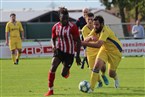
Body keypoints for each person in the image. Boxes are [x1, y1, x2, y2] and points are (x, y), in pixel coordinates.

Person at [44, 7, 81, 96]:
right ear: (59, 17)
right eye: (63, 18)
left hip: (70, 53)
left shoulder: (73, 27)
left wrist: (78, 55)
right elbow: (53, 38)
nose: (65, 20)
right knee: (53, 66)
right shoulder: (55, 27)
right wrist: (53, 46)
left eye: (67, 18)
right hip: (59, 50)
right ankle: (50, 90)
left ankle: (66, 71)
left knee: (63, 74)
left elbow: (78, 41)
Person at [81, 15, 122, 92]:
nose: (95, 26)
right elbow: (86, 39)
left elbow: (98, 44)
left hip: (115, 52)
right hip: (105, 49)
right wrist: (89, 38)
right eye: (94, 24)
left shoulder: (105, 30)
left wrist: (83, 43)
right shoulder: (95, 29)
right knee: (96, 66)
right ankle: (91, 89)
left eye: (97, 25)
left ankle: (116, 78)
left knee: (111, 73)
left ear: (102, 24)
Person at [81, 13, 109, 88]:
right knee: (92, 69)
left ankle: (103, 74)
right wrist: (90, 38)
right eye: (88, 19)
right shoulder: (84, 29)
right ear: (86, 20)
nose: (90, 21)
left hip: (99, 49)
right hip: (90, 51)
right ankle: (99, 82)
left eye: (91, 19)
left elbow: (100, 40)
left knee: (102, 66)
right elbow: (86, 40)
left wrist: (94, 39)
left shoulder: (98, 27)